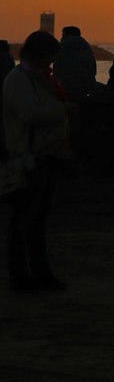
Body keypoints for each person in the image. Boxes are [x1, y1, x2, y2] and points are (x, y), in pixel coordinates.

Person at [2, 30, 73, 292]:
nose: (52, 63)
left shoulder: (38, 79)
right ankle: (21, 277)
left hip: (46, 157)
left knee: (37, 220)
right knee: (24, 221)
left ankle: (40, 274)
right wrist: (63, 110)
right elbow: (31, 113)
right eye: (50, 57)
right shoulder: (19, 80)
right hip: (30, 158)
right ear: (40, 56)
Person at [53, 25, 98, 103]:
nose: (61, 38)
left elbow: (56, 72)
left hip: (66, 89)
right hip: (89, 88)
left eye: (63, 35)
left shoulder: (60, 49)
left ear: (66, 36)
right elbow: (94, 71)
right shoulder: (88, 49)